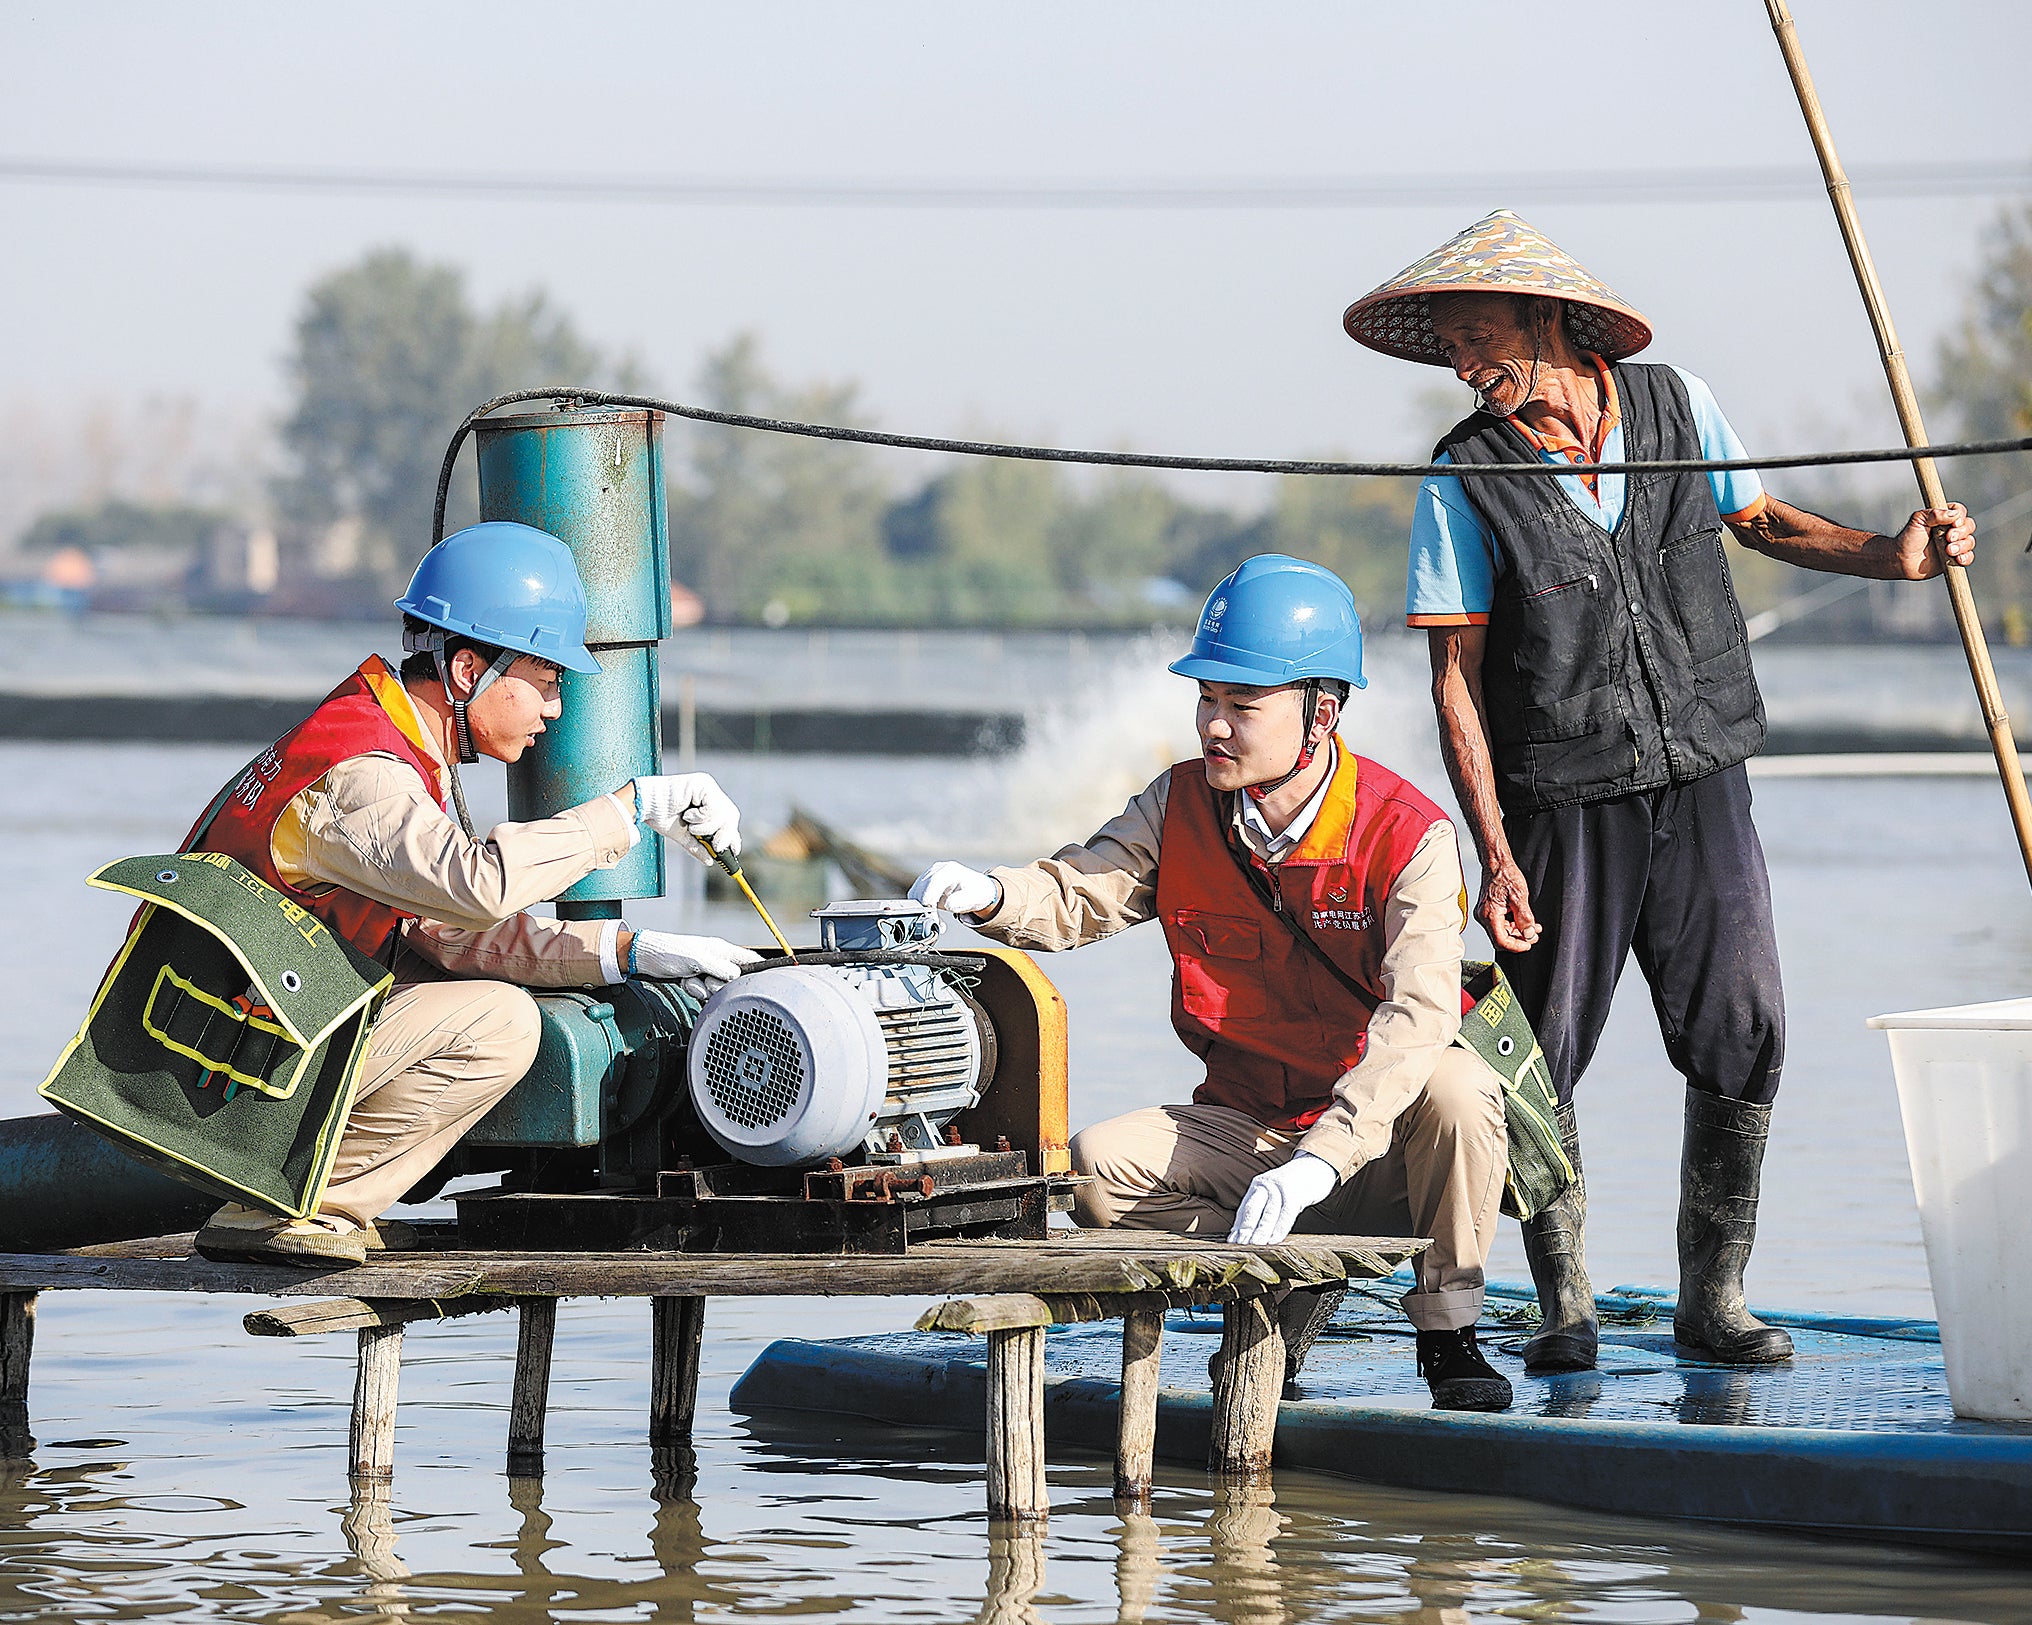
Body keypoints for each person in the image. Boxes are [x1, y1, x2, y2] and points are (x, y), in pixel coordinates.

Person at [1341, 210, 1979, 1370]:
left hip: (1703, 769)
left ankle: (1712, 1301)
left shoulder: (1675, 406)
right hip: (1558, 794)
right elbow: (1453, 680)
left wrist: (1890, 555)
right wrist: (1494, 852)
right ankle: (1563, 1305)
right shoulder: (1463, 477)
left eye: (1480, 333)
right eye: (1448, 345)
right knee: (1533, 1046)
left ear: (1550, 320)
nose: (1465, 362)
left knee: (1744, 1020)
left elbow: (1761, 518)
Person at [910, 555, 1514, 1411]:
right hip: (1245, 1127)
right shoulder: (1178, 804)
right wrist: (994, 894)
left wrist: (1321, 1163)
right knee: (1092, 1166)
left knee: (1458, 1085)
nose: (1215, 726)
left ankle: (1448, 1332)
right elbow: (1086, 890)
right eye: (1206, 699)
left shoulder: (1407, 833)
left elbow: (1418, 1017)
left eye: (1242, 703)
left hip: (1368, 1140)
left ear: (1322, 712)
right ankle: (1278, 1275)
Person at [190, 521, 760, 1267]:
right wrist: (631, 807)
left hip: (242, 1040)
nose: (554, 711)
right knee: (498, 1022)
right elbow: (478, 884)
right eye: (547, 682)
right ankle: (296, 1206)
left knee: (458, 983)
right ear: (468, 671)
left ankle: (310, 1196)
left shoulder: (392, 747)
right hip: (221, 1065)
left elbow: (448, 931)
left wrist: (630, 951)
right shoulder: (365, 773)